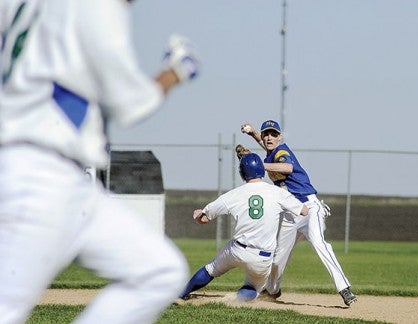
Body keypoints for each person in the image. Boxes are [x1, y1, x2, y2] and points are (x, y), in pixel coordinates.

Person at [0, 0, 200, 323]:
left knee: (159, 271)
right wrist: (176, 71)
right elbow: (131, 102)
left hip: (66, 179)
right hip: (41, 173)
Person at [240, 120, 357, 306]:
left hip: (309, 208)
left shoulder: (282, 152)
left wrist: (258, 166)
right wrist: (253, 132)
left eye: (274, 134)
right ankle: (272, 290)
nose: (270, 137)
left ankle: (344, 288)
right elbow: (266, 147)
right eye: (266, 134)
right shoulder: (271, 153)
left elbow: (287, 168)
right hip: (290, 213)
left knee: (320, 244)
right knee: (278, 257)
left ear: (280, 137)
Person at [179, 153, 309, 302]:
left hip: (237, 250)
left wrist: (198, 216)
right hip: (262, 256)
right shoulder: (277, 193)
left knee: (211, 269)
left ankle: (180, 295)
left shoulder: (234, 194)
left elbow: (204, 218)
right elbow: (304, 211)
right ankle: (236, 298)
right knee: (254, 288)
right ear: (262, 170)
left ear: (242, 174)